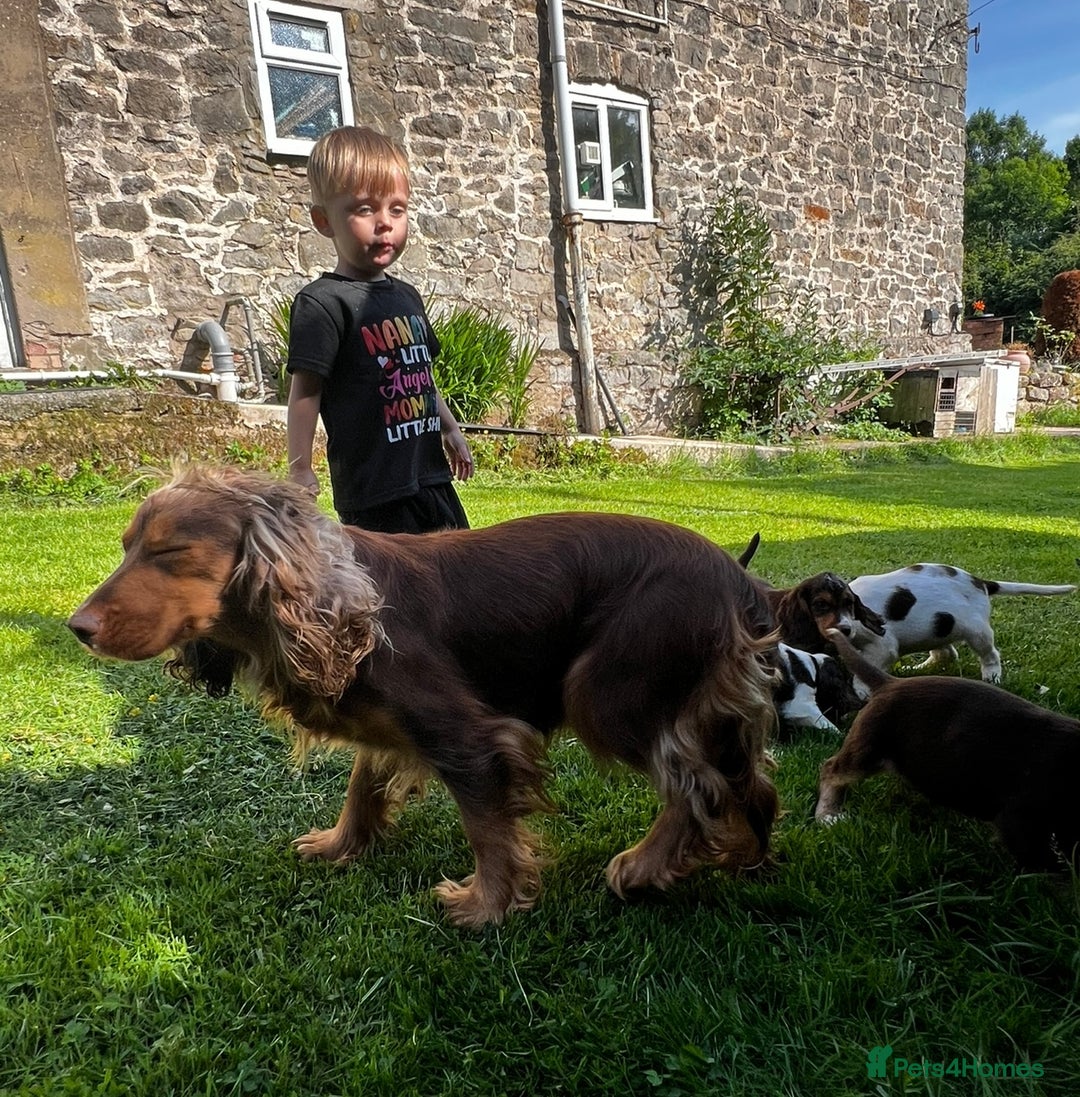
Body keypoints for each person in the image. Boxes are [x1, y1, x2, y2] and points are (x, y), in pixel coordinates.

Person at [286, 125, 473, 534]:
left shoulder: (407, 297)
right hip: (375, 493)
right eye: (365, 209)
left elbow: (419, 377)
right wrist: (300, 470)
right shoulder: (323, 304)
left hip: (431, 478)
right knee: (398, 593)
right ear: (324, 220)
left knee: (461, 579)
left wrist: (450, 426)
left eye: (397, 209)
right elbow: (306, 392)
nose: (385, 223)